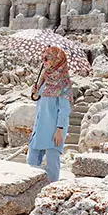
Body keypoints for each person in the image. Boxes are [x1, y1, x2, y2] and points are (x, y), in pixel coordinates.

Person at [27, 47, 73, 182]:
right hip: (40, 126)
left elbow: (64, 109)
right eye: (43, 58)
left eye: (47, 59)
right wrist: (35, 94)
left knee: (52, 166)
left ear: (56, 60)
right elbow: (41, 101)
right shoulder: (43, 79)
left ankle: (51, 193)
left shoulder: (63, 82)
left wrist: (59, 129)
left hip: (54, 128)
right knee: (31, 162)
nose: (44, 62)